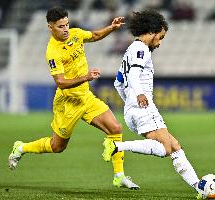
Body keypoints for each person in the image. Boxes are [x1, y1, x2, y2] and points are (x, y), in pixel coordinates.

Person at [8, 6, 139, 190]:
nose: (65, 29)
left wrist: (111, 28)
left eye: (67, 24)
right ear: (50, 27)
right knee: (57, 147)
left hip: (85, 97)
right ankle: (21, 147)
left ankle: (119, 176)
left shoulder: (76, 34)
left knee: (115, 128)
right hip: (67, 103)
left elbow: (93, 36)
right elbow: (60, 82)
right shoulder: (52, 52)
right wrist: (86, 77)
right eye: (61, 26)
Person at [102, 10, 215, 199]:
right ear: (152, 31)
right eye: (160, 37)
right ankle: (117, 146)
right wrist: (140, 95)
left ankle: (200, 190)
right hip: (143, 108)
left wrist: (129, 102)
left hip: (133, 109)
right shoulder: (141, 49)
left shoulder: (130, 50)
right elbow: (134, 75)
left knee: (175, 147)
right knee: (166, 149)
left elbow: (118, 82)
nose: (160, 42)